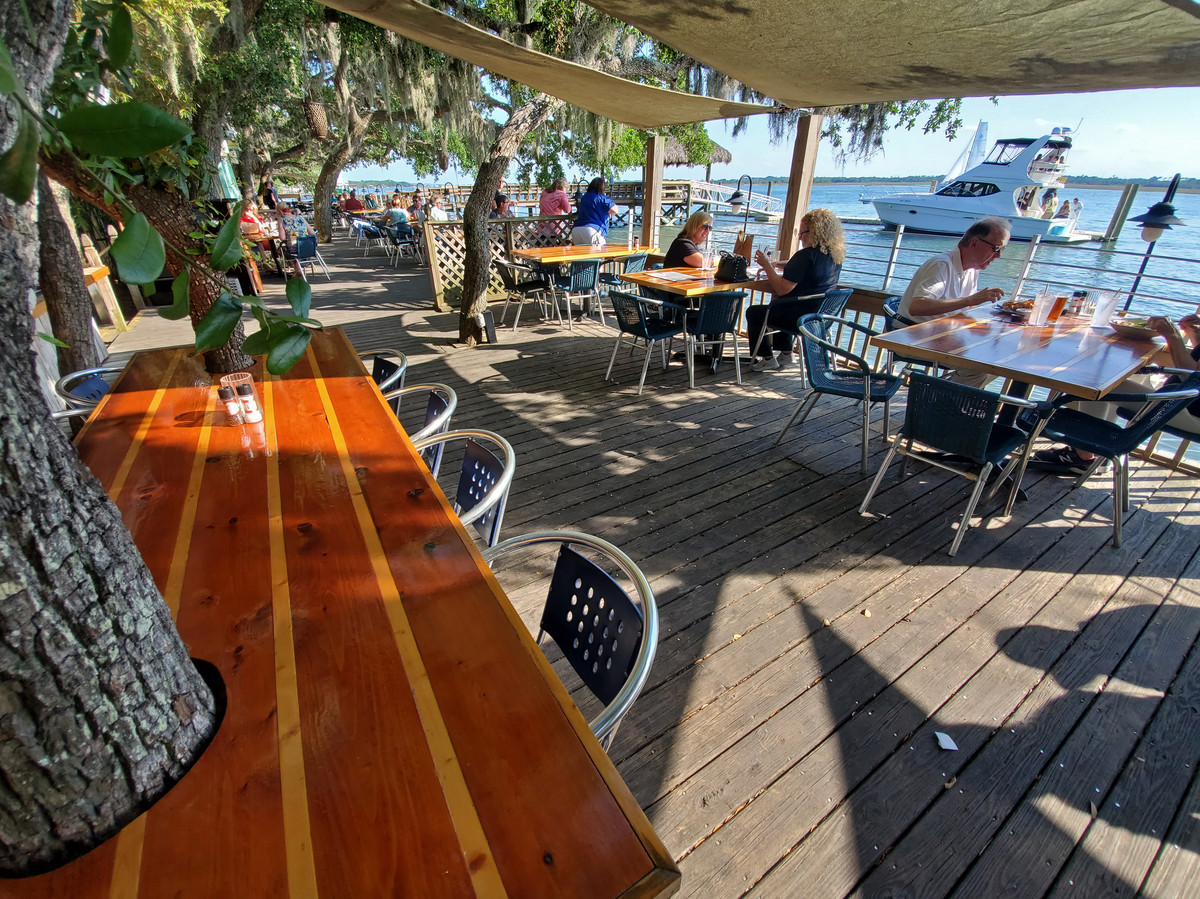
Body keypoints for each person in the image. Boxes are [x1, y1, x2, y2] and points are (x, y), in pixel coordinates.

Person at [1034, 313, 1200, 473]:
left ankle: (1084, 454)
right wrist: (1196, 335)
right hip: (1179, 400)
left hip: (1186, 410)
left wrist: (1172, 335)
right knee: (1119, 377)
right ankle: (1100, 451)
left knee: (1095, 380)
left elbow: (1192, 376)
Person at [897, 216, 1009, 388]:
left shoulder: (971, 270)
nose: (999, 255)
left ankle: (943, 396)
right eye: (996, 248)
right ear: (974, 243)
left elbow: (964, 307)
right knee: (976, 368)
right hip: (910, 335)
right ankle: (947, 406)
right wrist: (970, 300)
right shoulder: (942, 265)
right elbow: (917, 306)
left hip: (943, 334)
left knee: (998, 359)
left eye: (1002, 249)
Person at [747, 208, 845, 370]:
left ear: (814, 231)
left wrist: (766, 265)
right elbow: (808, 268)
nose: (799, 238)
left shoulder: (805, 255)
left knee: (756, 311)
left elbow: (782, 289)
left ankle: (767, 357)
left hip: (799, 318)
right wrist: (779, 264)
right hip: (820, 318)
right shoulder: (834, 256)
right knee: (782, 304)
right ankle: (786, 353)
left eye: (802, 233)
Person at [570, 177, 617, 247]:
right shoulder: (601, 198)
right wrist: (609, 214)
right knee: (602, 255)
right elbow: (615, 210)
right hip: (592, 230)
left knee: (582, 256)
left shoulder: (584, 197)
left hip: (577, 230)